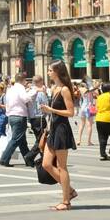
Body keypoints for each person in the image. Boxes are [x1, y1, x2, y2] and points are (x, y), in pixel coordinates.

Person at [41, 61, 78, 211]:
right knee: (46, 164)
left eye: (50, 70)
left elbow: (70, 112)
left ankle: (66, 201)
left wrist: (51, 110)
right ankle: (70, 190)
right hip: (54, 128)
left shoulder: (64, 90)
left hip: (62, 129)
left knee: (62, 167)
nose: (48, 72)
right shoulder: (54, 88)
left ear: (57, 72)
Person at [0, 73, 35, 167]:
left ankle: (28, 159)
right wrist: (32, 92)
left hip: (11, 116)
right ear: (23, 80)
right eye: (25, 80)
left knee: (22, 141)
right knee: (16, 139)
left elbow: (7, 102)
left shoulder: (10, 89)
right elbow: (25, 98)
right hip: (19, 115)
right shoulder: (20, 88)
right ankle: (4, 159)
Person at [94, 82, 110, 161]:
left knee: (102, 137)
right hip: (108, 119)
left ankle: (103, 154)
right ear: (109, 89)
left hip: (99, 119)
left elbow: (96, 109)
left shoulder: (99, 97)